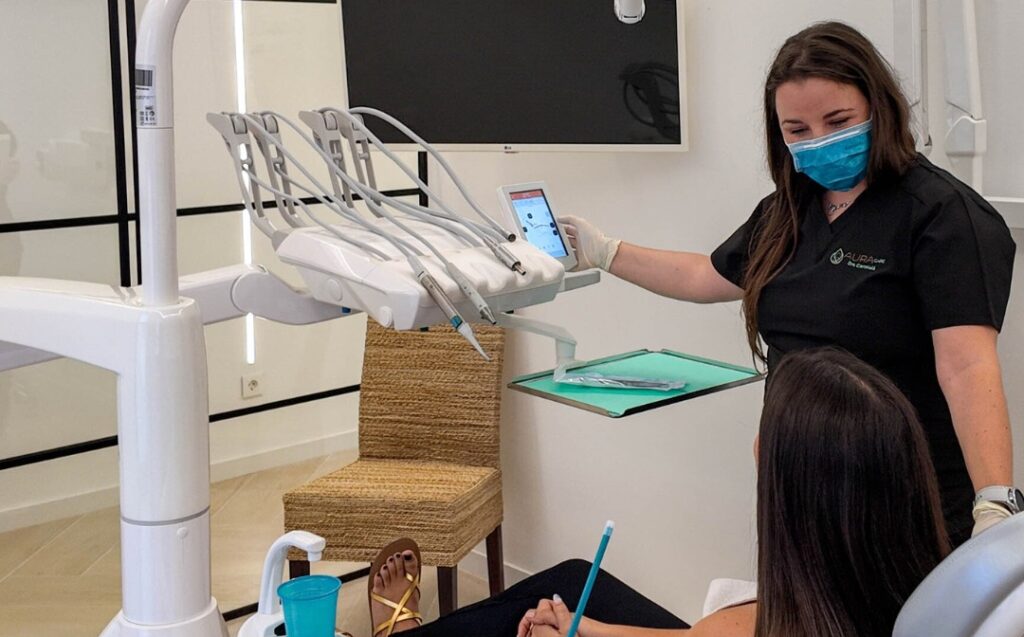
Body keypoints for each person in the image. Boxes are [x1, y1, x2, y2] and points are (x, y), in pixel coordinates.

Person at [562, 20, 1016, 545]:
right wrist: (606, 252)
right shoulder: (790, 210)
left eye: (838, 120)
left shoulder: (943, 216)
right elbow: (706, 274)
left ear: (879, 106)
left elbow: (966, 367)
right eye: (798, 130)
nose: (819, 141)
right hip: (799, 489)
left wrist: (994, 501)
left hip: (906, 498)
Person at [360, 347, 951, 637]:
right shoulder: (904, 587)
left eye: (765, 434)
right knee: (573, 582)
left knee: (530, 612)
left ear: (798, 493)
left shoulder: (770, 622)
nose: (754, 446)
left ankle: (402, 633)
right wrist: (584, 629)